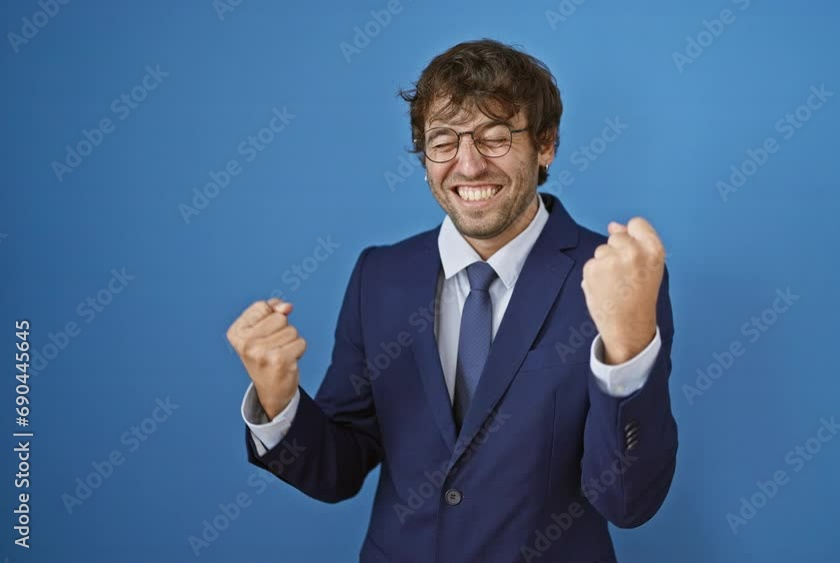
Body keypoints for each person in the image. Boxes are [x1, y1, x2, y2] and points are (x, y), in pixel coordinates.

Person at [225, 38, 678, 563]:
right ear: (424, 156)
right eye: (443, 141)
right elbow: (338, 470)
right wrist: (279, 400)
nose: (468, 165)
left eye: (494, 137)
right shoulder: (380, 275)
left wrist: (626, 353)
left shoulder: (614, 279)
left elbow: (626, 501)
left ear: (546, 144)